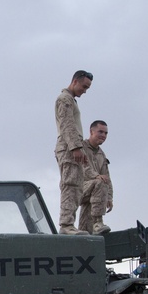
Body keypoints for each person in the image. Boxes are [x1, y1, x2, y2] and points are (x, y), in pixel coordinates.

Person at [54, 70, 93, 235]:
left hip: (72, 146)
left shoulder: (71, 100)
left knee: (76, 186)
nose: (84, 91)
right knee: (70, 185)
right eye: (84, 86)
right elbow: (67, 124)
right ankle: (66, 224)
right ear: (75, 81)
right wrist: (75, 147)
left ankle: (70, 224)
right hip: (69, 147)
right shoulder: (65, 99)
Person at [77, 120, 113, 235]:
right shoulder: (80, 147)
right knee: (100, 183)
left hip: (93, 191)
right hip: (78, 187)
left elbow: (107, 177)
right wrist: (97, 176)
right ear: (91, 132)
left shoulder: (101, 154)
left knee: (85, 229)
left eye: (106, 133)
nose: (103, 135)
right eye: (100, 132)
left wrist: (109, 197)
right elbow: (84, 168)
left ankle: (85, 236)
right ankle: (98, 222)